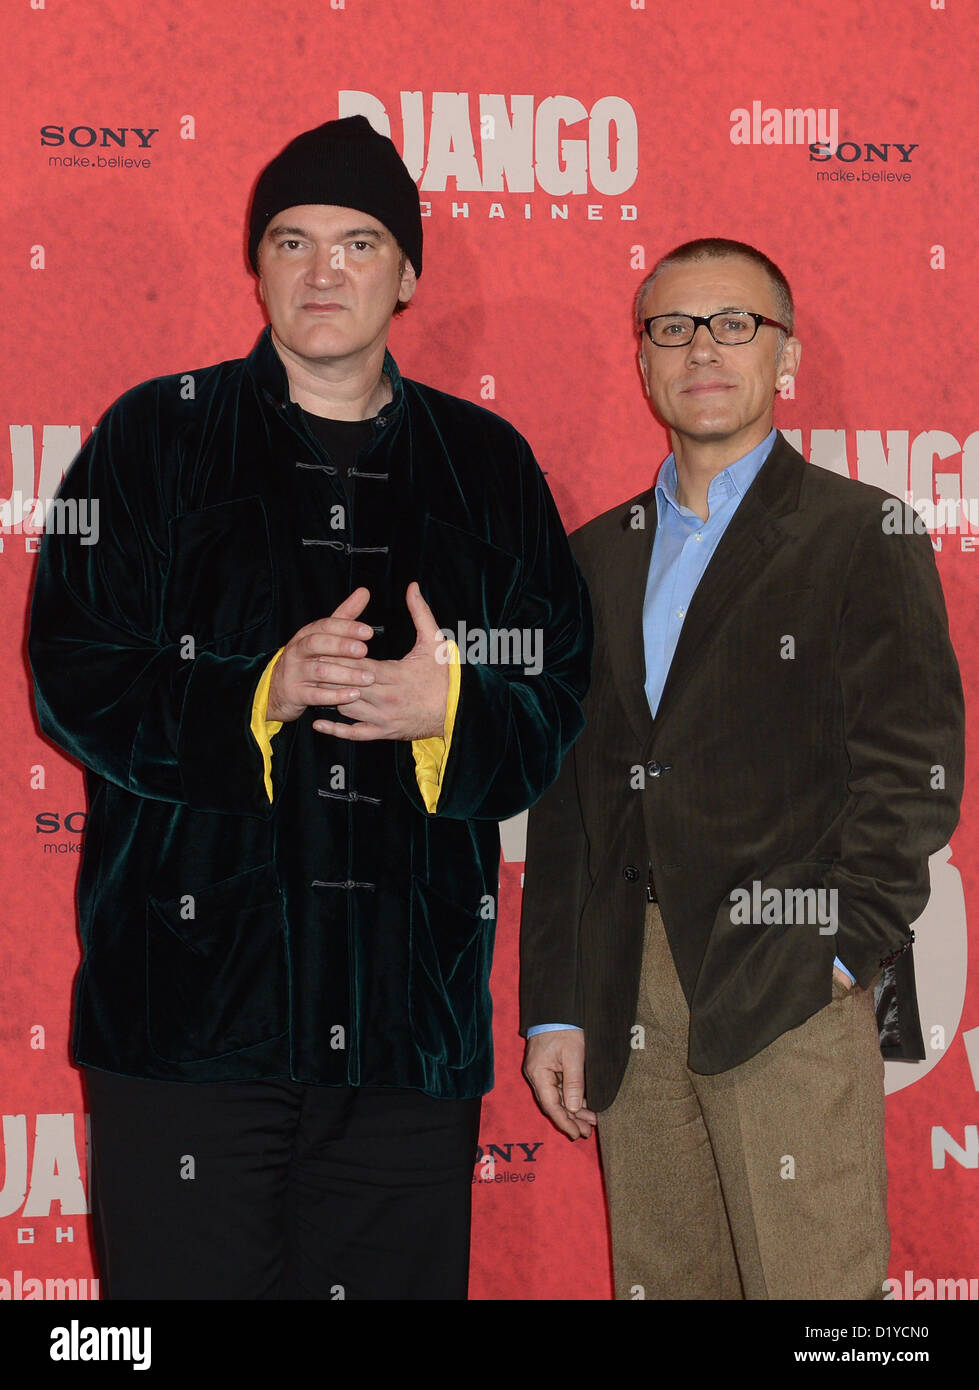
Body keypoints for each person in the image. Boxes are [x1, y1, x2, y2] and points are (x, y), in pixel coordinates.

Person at [28, 116, 590, 1301]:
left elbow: (558, 696)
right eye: (292, 241)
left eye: (358, 242)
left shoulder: (488, 464)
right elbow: (73, 668)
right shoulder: (153, 437)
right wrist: (256, 691)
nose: (323, 271)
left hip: (405, 1035)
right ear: (257, 264)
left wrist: (450, 712)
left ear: (409, 274)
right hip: (185, 1024)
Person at [519, 237, 964, 1300]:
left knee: (818, 1296)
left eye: (733, 324)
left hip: (787, 979)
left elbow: (912, 769)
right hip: (629, 984)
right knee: (667, 1284)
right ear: (643, 364)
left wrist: (840, 951)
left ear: (786, 358)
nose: (702, 348)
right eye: (672, 327)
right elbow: (568, 807)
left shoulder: (862, 532)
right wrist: (557, 1007)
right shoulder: (593, 556)